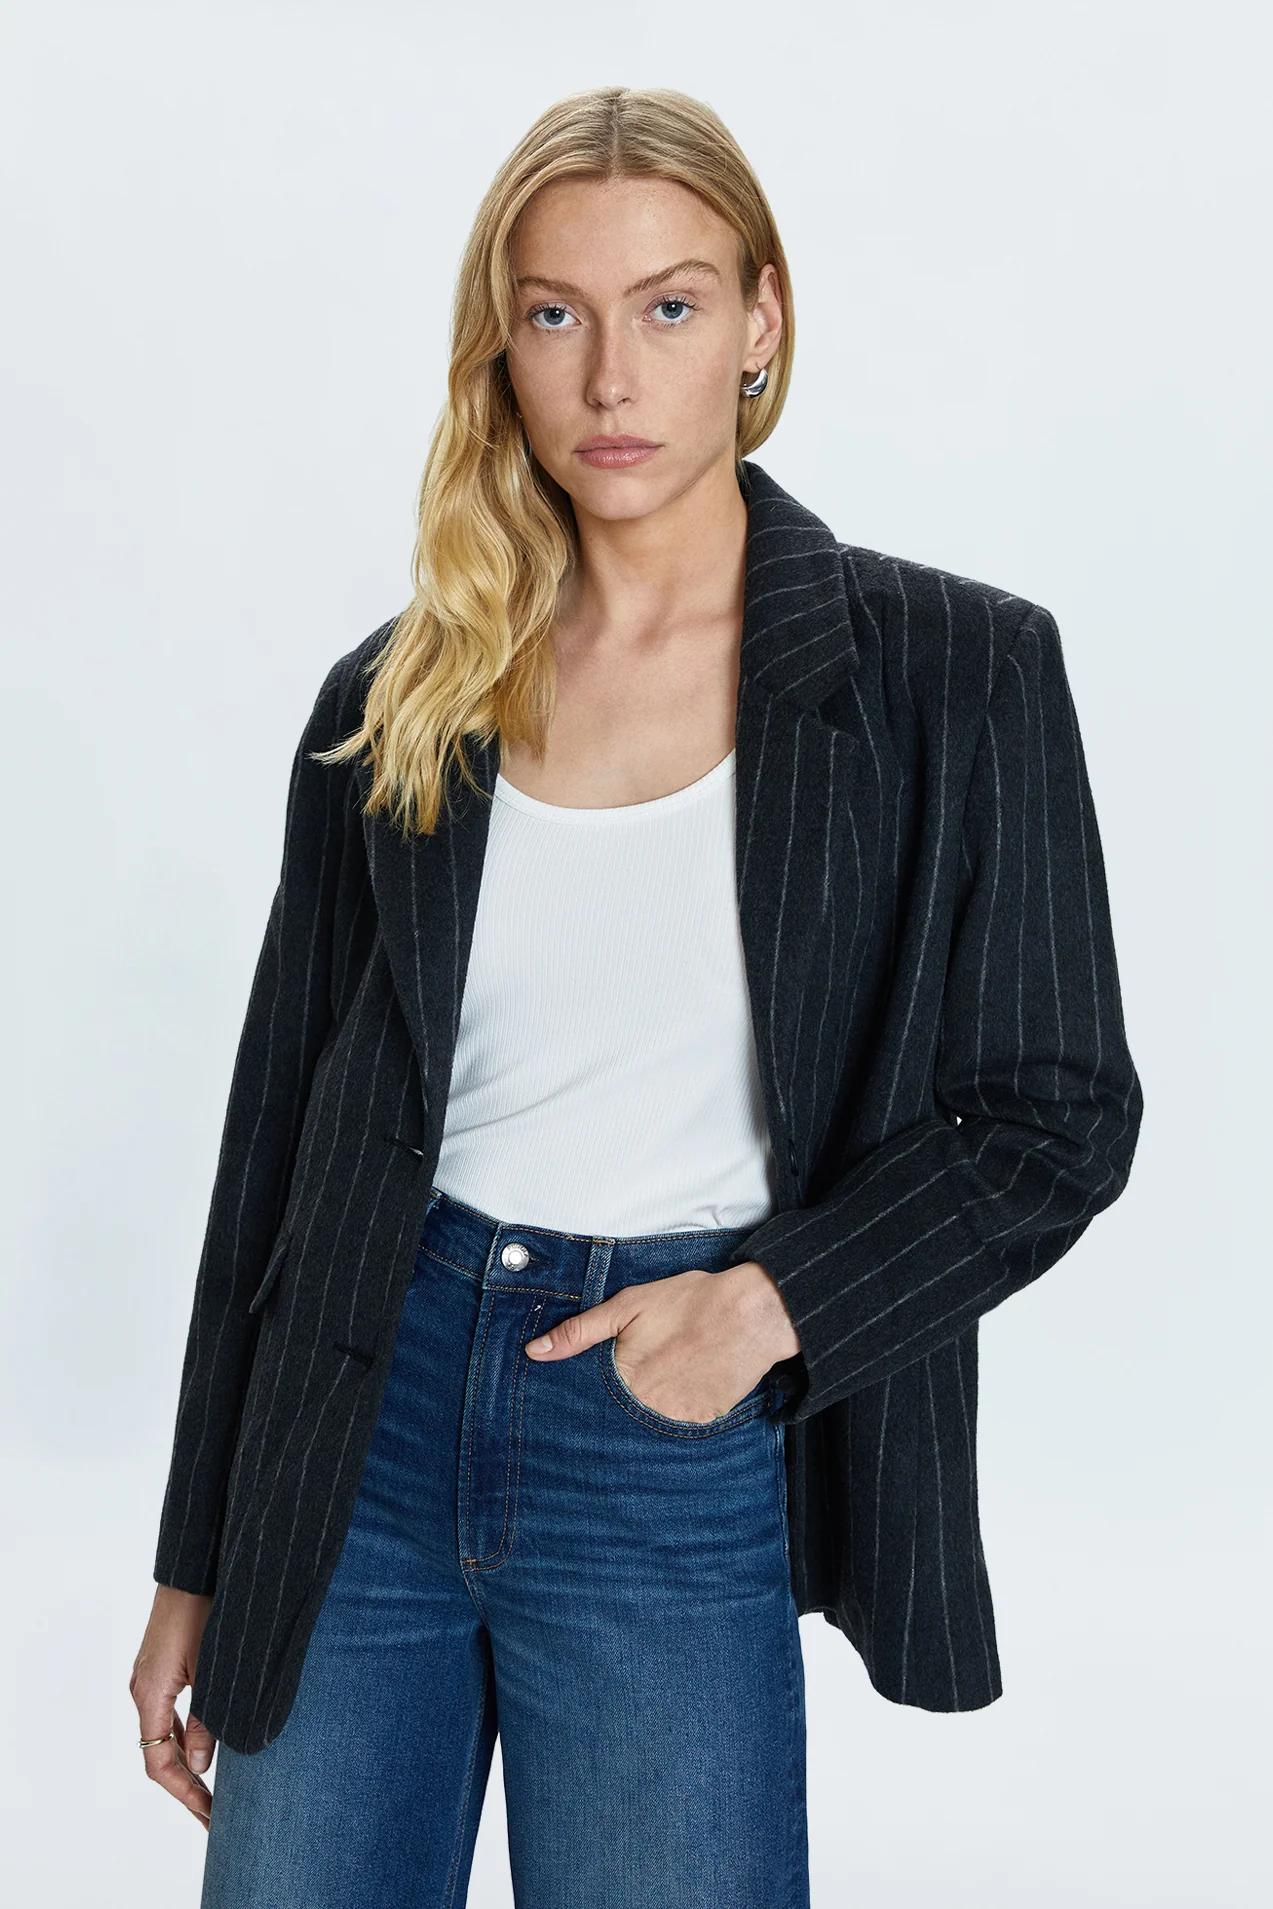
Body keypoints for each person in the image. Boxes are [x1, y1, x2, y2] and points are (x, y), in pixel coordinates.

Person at [130, 84, 1143, 1907]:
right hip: (360, 1423)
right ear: (500, 346)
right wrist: (201, 1546)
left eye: (668, 306)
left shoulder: (953, 671)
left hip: (664, 1427)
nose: (610, 375)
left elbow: (1056, 1113)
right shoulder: (399, 695)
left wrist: (768, 1308)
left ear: (759, 321)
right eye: (555, 313)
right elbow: (273, 1148)